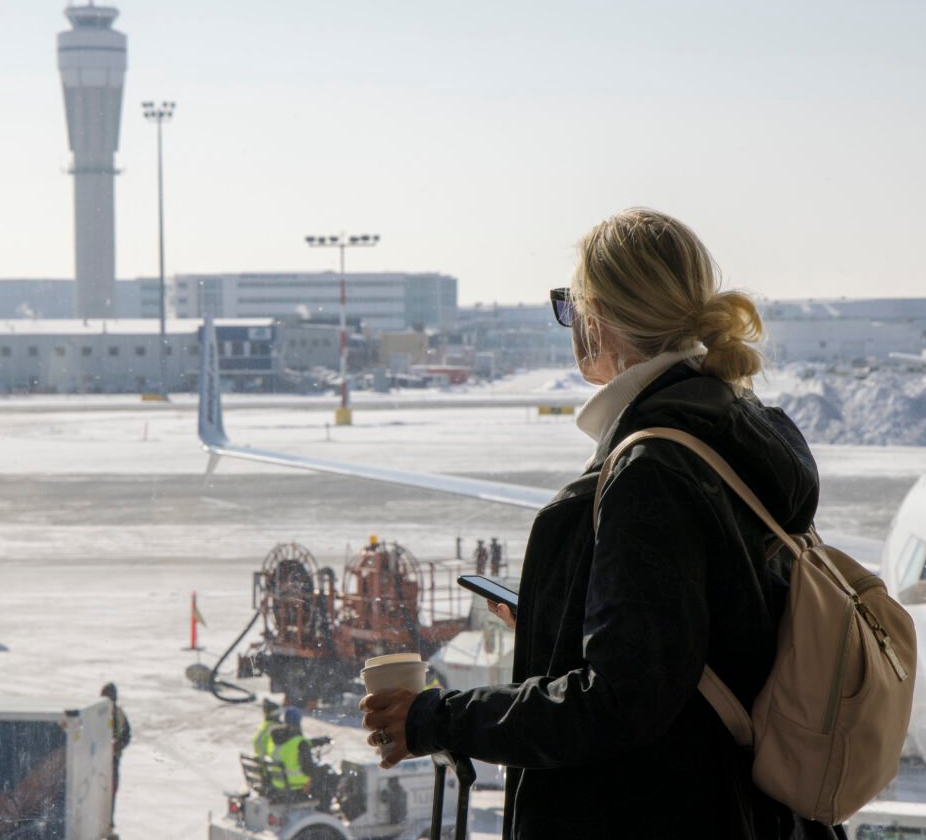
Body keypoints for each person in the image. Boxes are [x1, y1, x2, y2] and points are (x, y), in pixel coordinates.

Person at [361, 208, 842, 839]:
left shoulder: (652, 471)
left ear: (598, 320)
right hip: (747, 808)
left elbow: (618, 703)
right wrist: (557, 614)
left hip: (664, 814)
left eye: (569, 304)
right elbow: (711, 628)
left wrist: (438, 718)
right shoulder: (735, 431)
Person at [267, 708, 337, 812]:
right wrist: (323, 769)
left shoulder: (277, 738)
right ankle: (324, 812)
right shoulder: (300, 742)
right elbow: (307, 769)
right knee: (329, 779)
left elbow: (294, 745)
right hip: (296, 787)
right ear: (299, 722)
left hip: (279, 783)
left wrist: (317, 741)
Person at [102, 682, 132, 828]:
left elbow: (126, 736)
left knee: (109, 792)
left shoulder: (117, 714)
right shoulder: (98, 714)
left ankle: (108, 822)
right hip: (100, 763)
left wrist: (117, 746)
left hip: (111, 761)